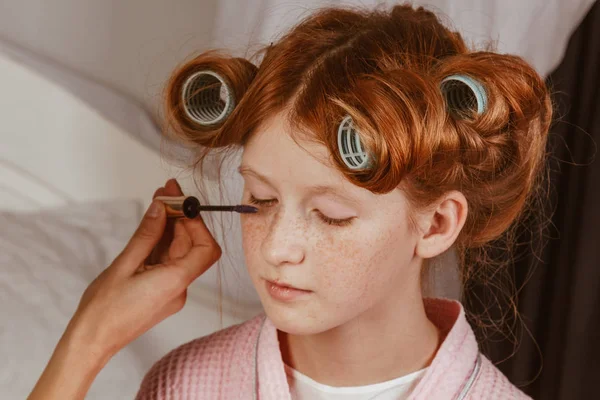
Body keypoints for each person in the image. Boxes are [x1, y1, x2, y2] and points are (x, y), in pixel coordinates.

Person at [29, 4, 551, 399]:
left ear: (436, 223)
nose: (279, 248)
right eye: (261, 198)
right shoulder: (185, 385)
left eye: (331, 215)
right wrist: (88, 338)